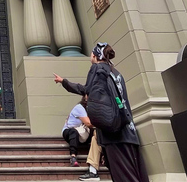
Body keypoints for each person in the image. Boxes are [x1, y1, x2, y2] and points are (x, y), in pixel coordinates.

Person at [54, 42, 149, 182]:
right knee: (136, 175)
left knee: (123, 177)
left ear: (95, 55)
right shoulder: (115, 73)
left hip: (113, 134)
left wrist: (64, 82)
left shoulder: (97, 69)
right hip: (128, 131)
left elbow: (85, 90)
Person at [62, 95, 93, 167]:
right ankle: (73, 157)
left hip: (83, 133)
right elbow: (88, 123)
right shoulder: (79, 108)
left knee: (97, 133)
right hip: (69, 132)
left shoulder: (90, 110)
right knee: (73, 132)